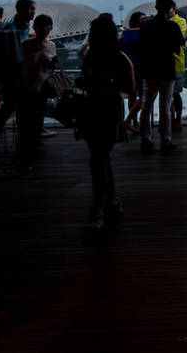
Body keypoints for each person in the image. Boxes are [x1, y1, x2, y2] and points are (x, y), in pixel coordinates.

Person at [78, 15, 135, 231]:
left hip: (100, 111)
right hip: (104, 110)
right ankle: (109, 200)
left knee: (98, 159)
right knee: (101, 159)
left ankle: (98, 207)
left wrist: (105, 80)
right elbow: (130, 90)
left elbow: (129, 88)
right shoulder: (116, 58)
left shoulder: (105, 58)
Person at [138, 0, 184, 155]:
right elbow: (177, 48)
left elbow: (141, 46)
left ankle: (145, 138)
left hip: (149, 69)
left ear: (156, 6)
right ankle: (166, 139)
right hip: (166, 70)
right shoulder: (172, 26)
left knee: (146, 104)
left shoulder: (145, 25)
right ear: (170, 7)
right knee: (165, 107)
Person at [0, 0, 35, 139]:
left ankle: (23, 138)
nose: (33, 12)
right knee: (9, 106)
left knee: (19, 108)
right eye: (31, 9)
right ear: (21, 10)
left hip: (25, 74)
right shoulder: (9, 28)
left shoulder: (26, 27)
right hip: (12, 75)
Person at [17, 14, 58, 168]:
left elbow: (51, 67)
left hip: (42, 86)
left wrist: (53, 63)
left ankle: (34, 145)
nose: (45, 29)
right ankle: (26, 147)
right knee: (26, 118)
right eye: (41, 26)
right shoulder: (25, 44)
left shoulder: (52, 45)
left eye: (47, 26)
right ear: (35, 27)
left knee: (38, 116)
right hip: (26, 86)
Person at [120, 11, 145, 133]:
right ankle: (130, 120)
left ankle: (134, 122)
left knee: (132, 95)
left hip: (127, 68)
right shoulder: (143, 33)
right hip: (140, 67)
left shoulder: (125, 34)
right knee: (144, 95)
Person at [168, 2, 187, 132]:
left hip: (177, 64)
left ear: (173, 8)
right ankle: (170, 121)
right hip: (163, 64)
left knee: (176, 94)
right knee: (166, 96)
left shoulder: (181, 21)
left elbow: (177, 38)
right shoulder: (162, 22)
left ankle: (178, 120)